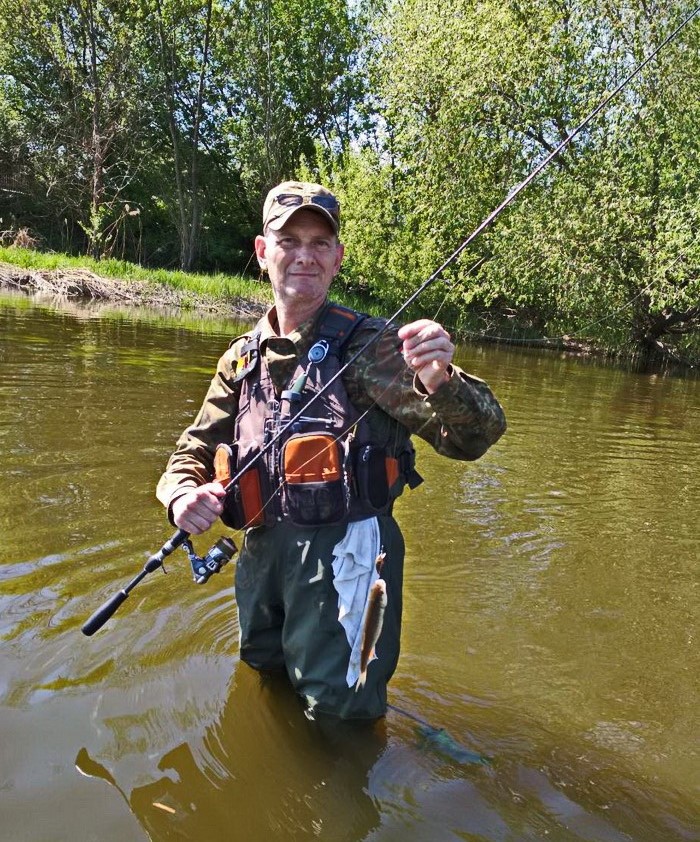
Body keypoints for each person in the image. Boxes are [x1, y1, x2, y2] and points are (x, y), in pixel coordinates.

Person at [157, 181, 506, 720]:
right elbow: (194, 447)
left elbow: (474, 438)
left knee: (339, 712)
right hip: (262, 556)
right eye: (289, 241)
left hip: (348, 557)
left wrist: (440, 380)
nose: (305, 255)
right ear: (262, 251)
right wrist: (182, 494)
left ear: (337, 258)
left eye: (320, 243)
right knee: (263, 675)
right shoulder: (240, 359)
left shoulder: (373, 348)